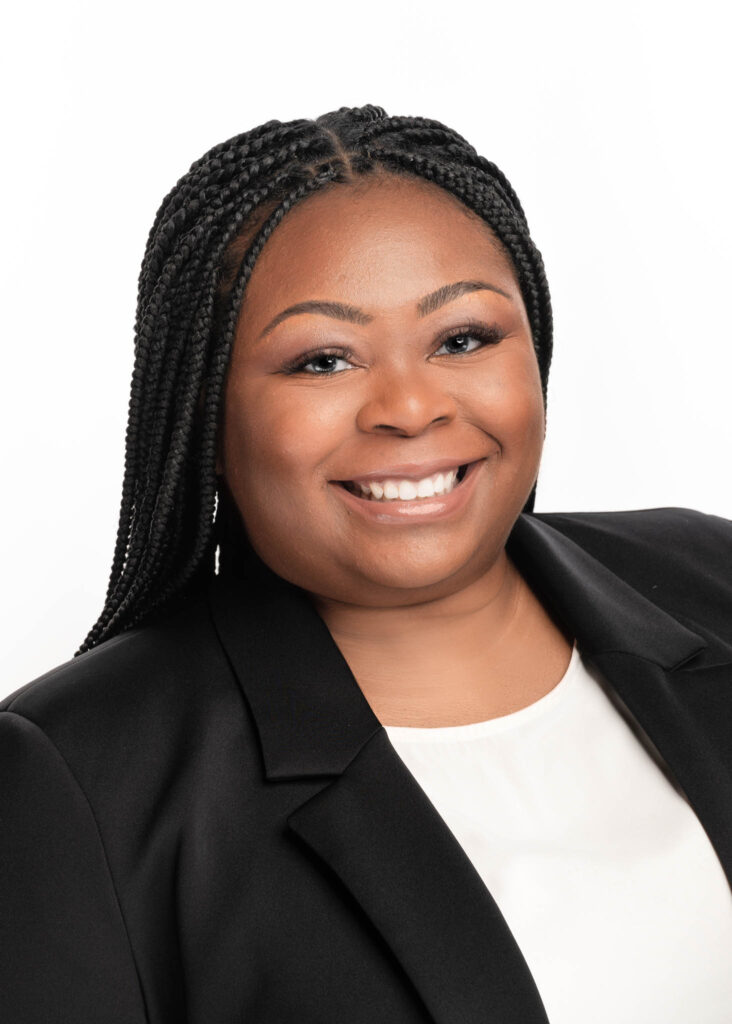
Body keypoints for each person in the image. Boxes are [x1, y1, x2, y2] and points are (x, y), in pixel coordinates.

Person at [1, 105, 731, 1024]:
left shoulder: (714, 577)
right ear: (204, 421)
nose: (411, 407)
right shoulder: (77, 779)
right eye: (322, 360)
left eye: (464, 338)